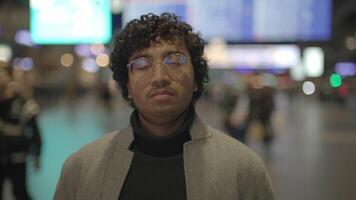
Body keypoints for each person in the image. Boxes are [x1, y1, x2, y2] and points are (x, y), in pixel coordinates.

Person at [54, 13, 275, 200]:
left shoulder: (243, 170)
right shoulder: (82, 169)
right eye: (141, 64)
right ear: (127, 85)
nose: (159, 77)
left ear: (196, 79)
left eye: (175, 60)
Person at [0, 64, 42, 200]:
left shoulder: (23, 105)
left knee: (19, 192)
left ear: (9, 77)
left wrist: (37, 155)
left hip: (17, 158)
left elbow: (35, 133)